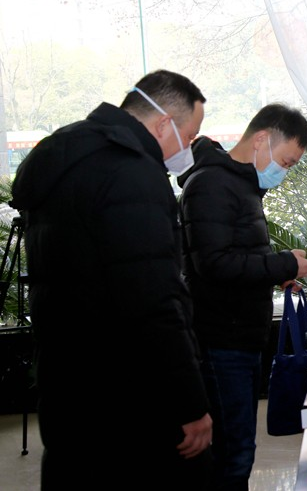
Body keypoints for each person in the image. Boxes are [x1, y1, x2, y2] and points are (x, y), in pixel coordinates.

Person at [10, 69, 213, 489]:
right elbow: (153, 301)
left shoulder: (65, 155)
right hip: (127, 394)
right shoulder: (131, 172)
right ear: (163, 124)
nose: (188, 148)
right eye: (189, 136)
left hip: (67, 379)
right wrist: (191, 403)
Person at [177, 103, 307, 491]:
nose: (284, 172)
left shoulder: (242, 185)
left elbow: (240, 257)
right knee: (233, 453)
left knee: (238, 448)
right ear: (261, 139)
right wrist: (283, 264)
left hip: (241, 334)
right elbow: (214, 264)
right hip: (220, 338)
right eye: (286, 162)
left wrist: (280, 271)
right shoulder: (211, 184)